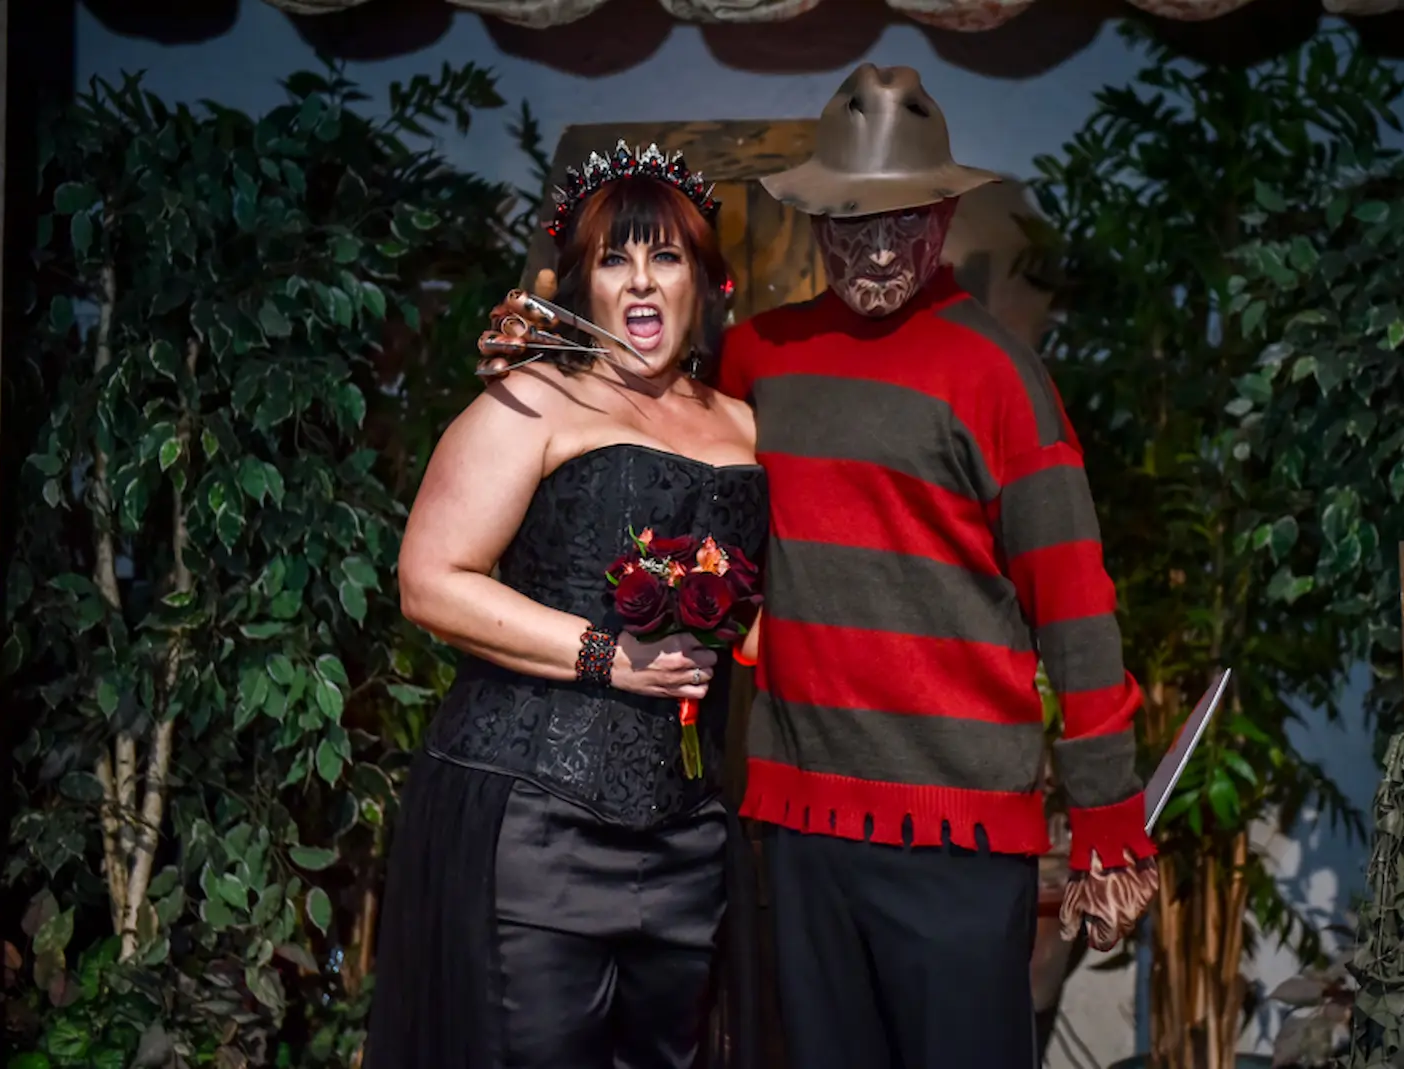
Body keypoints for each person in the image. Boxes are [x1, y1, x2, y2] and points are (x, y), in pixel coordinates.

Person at [717, 65, 1159, 1069]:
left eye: (903, 217)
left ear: (946, 213)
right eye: (849, 219)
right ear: (811, 217)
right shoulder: (753, 361)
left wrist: (1106, 822)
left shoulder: (997, 373)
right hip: (799, 819)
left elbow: (1075, 603)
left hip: (957, 839)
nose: (875, 246)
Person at [366, 141, 767, 1069]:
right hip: (538, 825)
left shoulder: (750, 425)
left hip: (688, 837)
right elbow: (430, 577)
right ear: (580, 282)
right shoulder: (532, 401)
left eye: (665, 256)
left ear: (707, 282)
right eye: (612, 258)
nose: (640, 281)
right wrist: (605, 654)